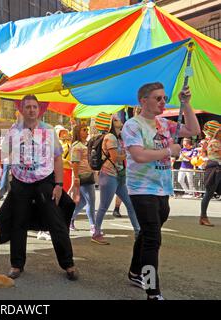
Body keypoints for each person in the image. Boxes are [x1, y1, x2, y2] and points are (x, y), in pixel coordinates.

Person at [123, 83, 200, 300]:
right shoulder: (133, 125)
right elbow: (138, 155)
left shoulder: (164, 124)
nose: (162, 102)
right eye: (157, 98)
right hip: (141, 189)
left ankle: (135, 271)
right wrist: (168, 150)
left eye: (164, 98)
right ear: (143, 100)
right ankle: (152, 291)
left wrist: (186, 104)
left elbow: (194, 130)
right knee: (153, 239)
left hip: (162, 188)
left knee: (147, 234)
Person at [5, 95, 78, 281]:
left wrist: (59, 185)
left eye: (34, 107)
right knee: (18, 223)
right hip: (21, 183)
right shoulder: (13, 131)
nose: (31, 110)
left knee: (56, 222)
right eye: (27, 107)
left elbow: (57, 159)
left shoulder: (48, 130)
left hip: (45, 182)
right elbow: (6, 155)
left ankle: (68, 264)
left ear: (39, 110)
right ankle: (16, 265)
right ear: (21, 110)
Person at [94, 113, 140, 245]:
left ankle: (138, 232)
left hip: (118, 175)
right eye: (117, 119)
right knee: (104, 206)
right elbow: (114, 158)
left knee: (130, 204)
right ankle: (96, 233)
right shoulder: (111, 137)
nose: (120, 120)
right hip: (109, 175)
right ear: (111, 123)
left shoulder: (118, 138)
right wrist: (128, 155)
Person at [69, 124, 96, 235]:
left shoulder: (85, 144)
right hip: (82, 176)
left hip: (87, 175)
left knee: (83, 201)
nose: (87, 132)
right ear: (78, 132)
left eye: (87, 130)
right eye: (84, 130)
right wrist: (76, 178)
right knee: (91, 201)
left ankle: (69, 219)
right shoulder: (77, 146)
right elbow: (75, 163)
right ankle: (93, 226)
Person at [200, 122, 221, 227]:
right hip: (214, 170)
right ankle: (203, 217)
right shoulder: (214, 142)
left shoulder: (215, 142)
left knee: (209, 194)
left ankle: (203, 217)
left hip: (216, 169)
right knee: (209, 193)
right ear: (217, 132)